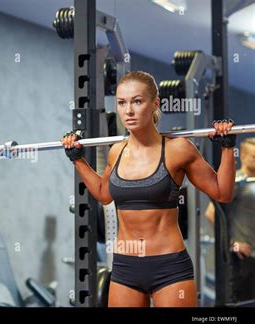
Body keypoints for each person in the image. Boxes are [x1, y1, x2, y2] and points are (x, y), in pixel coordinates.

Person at [61, 70, 236, 307]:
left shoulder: (178, 149)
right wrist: (78, 160)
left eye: (137, 101)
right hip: (125, 266)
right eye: (122, 103)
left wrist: (227, 148)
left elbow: (222, 193)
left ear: (155, 103)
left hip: (169, 266)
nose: (128, 111)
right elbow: (104, 195)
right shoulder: (117, 151)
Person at [205, 137, 255, 302]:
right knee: (242, 301)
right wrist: (232, 244)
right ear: (243, 156)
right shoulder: (235, 182)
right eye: (253, 157)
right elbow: (211, 213)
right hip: (243, 257)